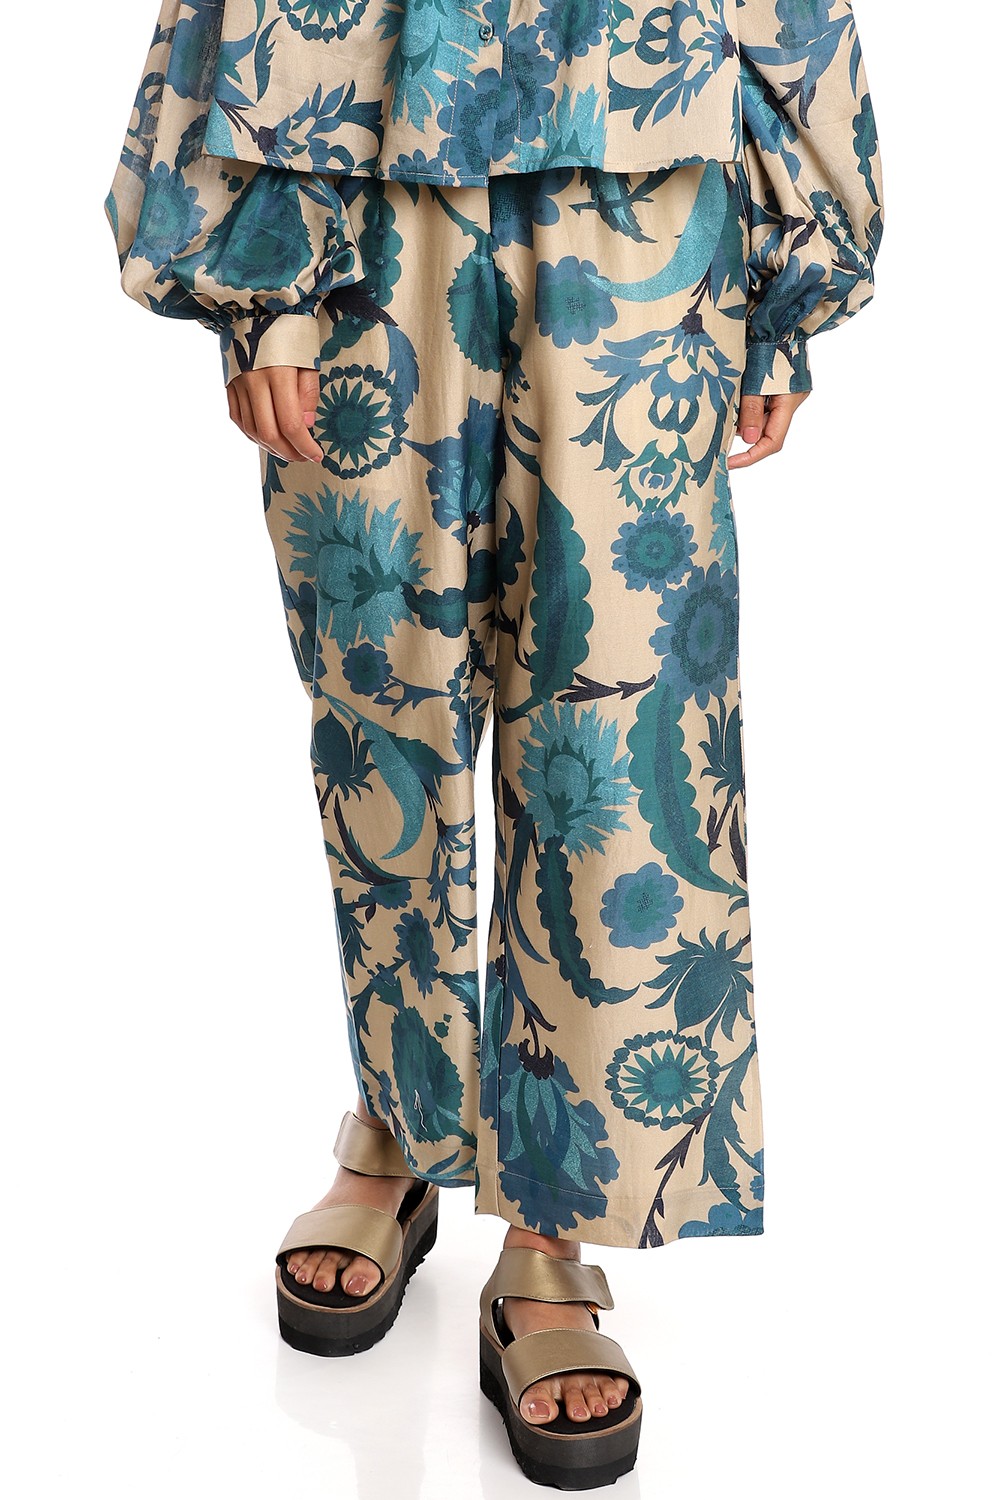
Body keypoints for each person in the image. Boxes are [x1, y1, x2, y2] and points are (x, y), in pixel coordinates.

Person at [104, 0, 883, 1487]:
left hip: (646, 192)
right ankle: (400, 1124)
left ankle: (554, 1222)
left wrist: (789, 268)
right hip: (365, 205)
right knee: (379, 710)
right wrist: (267, 271)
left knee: (627, 736)